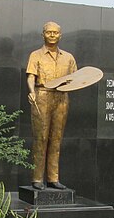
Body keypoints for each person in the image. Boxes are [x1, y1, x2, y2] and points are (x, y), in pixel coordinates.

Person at [26, 21, 77, 190]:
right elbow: (31, 76)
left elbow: (75, 78)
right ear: (43, 35)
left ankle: (53, 178)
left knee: (56, 139)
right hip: (42, 95)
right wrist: (32, 91)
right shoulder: (36, 55)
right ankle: (37, 179)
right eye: (49, 32)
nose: (53, 35)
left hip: (61, 97)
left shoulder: (68, 58)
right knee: (41, 138)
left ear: (60, 35)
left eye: (56, 33)